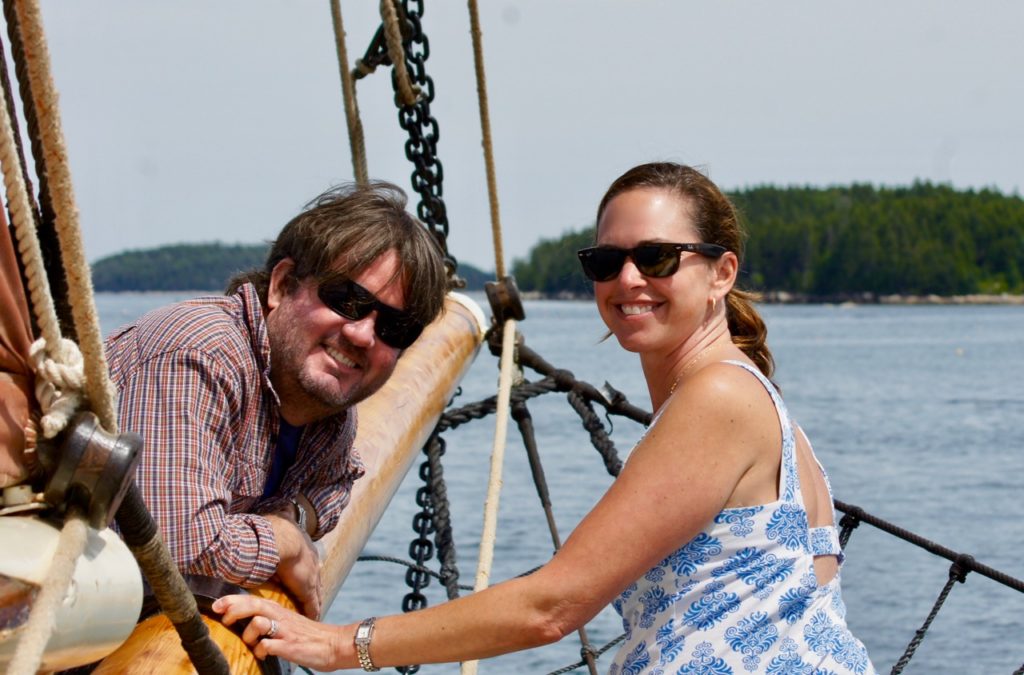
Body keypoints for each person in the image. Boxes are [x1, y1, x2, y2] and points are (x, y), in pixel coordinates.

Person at [213, 162, 875, 673]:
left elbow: (553, 606)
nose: (627, 279)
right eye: (606, 262)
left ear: (721, 272)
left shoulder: (720, 398)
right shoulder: (755, 401)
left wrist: (339, 645)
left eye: (657, 258)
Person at [105, 181, 448, 619]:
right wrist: (284, 540)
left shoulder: (326, 410)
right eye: (348, 300)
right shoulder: (200, 352)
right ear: (283, 285)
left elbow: (336, 488)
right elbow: (178, 543)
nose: (363, 335)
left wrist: (291, 518)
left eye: (394, 329)